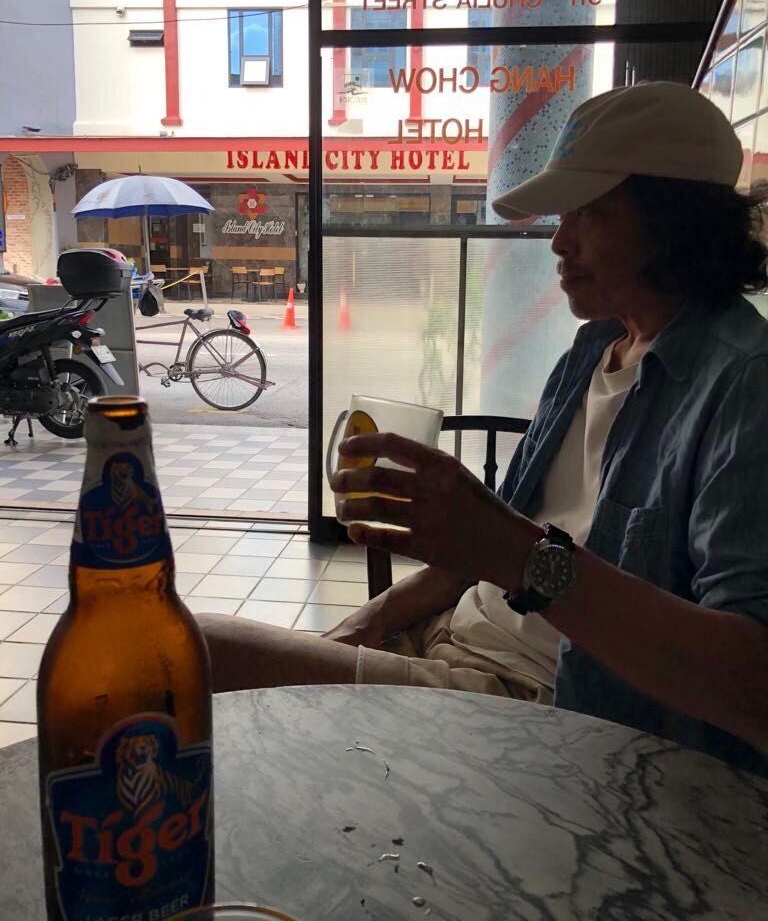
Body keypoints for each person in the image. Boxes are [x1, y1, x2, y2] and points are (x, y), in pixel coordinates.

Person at [199, 82, 768, 773]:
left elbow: (752, 687)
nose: (559, 240)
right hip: (448, 638)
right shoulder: (594, 348)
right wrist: (377, 616)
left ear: (676, 223)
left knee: (194, 653)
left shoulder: (744, 383)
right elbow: (493, 549)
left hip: (542, 703)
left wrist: (521, 555)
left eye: (588, 212)